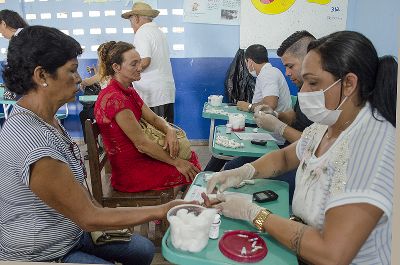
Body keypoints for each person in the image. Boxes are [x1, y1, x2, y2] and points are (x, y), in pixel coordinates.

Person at [0, 25, 194, 264]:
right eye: (72, 71)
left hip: (70, 228)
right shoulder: (35, 144)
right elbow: (89, 217)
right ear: (41, 76)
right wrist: (164, 209)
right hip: (45, 248)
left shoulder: (45, 117)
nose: (79, 78)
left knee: (142, 250)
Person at [205, 31, 397, 264]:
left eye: (313, 82)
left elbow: (331, 254)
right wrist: (242, 172)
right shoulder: (328, 123)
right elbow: (284, 159)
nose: (303, 92)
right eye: (304, 80)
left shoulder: (373, 146)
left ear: (349, 83)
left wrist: (254, 213)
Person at [94, 41, 201, 193]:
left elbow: (154, 119)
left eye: (139, 62)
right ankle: (170, 214)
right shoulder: (114, 99)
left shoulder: (128, 91)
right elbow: (142, 144)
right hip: (131, 171)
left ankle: (172, 214)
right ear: (116, 67)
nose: (140, 68)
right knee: (192, 168)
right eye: (133, 64)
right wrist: (176, 162)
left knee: (190, 160)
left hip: (140, 158)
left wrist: (169, 130)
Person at [222, 31, 316, 202]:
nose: (287, 73)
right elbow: (296, 115)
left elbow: (314, 145)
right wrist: (277, 115)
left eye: (290, 66)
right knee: (232, 167)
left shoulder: (321, 94)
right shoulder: (304, 88)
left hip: (305, 164)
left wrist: (279, 126)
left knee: (247, 189)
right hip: (290, 150)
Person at [205, 44, 292, 172]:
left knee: (228, 148)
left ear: (249, 61)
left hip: (273, 137)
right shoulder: (268, 72)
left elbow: (270, 104)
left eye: (246, 62)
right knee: (227, 137)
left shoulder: (268, 74)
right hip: (265, 128)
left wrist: (249, 106)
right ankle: (205, 177)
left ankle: (204, 180)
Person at [121, 2, 176, 123]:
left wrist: (126, 75)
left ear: (136, 18)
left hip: (153, 93)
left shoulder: (142, 32)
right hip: (164, 91)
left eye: (131, 22)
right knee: (168, 132)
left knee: (157, 134)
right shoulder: (158, 32)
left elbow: (145, 61)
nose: (132, 27)